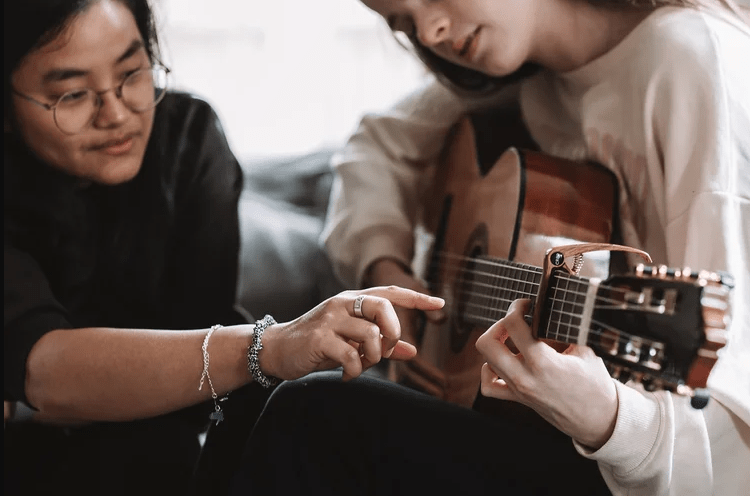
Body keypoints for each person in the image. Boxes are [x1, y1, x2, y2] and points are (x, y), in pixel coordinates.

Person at [226, 0, 750, 495]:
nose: (430, 32)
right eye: (403, 22)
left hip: (643, 461)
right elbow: (375, 147)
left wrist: (608, 419)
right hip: (588, 441)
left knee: (314, 415)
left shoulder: (688, 61)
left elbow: (731, 425)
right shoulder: (534, 81)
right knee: (247, 399)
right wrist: (389, 265)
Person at [2, 1, 445, 496]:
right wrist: (273, 345)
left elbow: (200, 382)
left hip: (155, 452)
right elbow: (41, 371)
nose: (118, 112)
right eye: (73, 93)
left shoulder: (186, 137)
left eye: (132, 72)